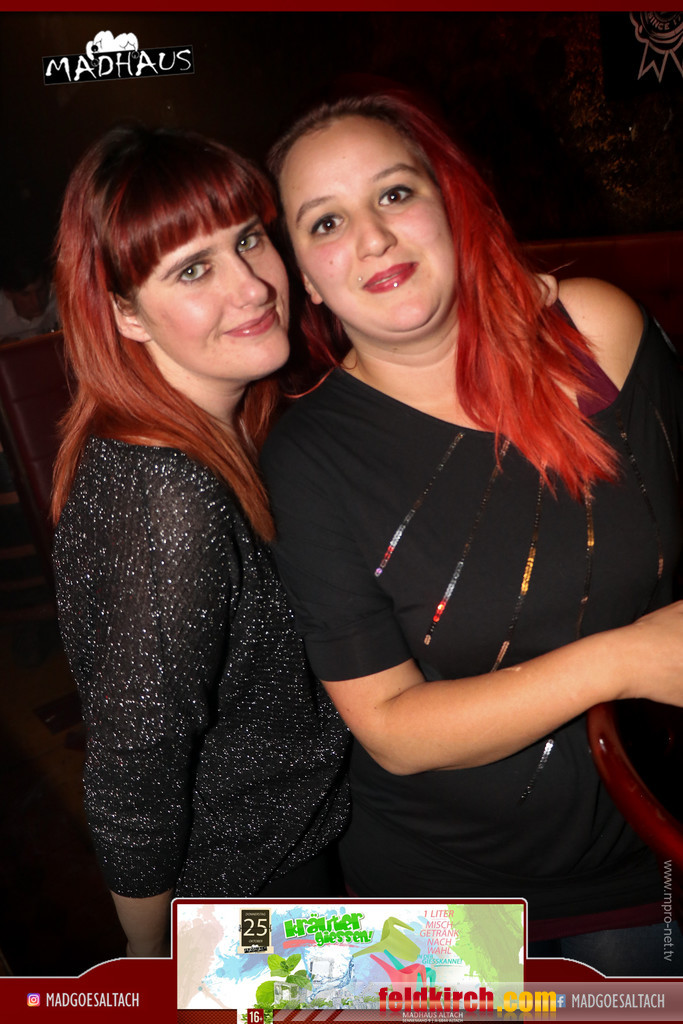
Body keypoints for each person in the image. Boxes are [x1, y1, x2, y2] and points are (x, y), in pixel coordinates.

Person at [262, 92, 683, 975]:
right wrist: (625, 660)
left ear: (450, 203)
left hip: (648, 850)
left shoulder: (593, 335)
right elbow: (391, 728)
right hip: (440, 907)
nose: (372, 238)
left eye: (395, 193)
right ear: (306, 278)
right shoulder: (308, 456)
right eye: (326, 222)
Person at [51, 125, 349, 959]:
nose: (251, 285)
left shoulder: (227, 427)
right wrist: (154, 969)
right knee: (523, 985)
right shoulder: (168, 498)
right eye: (192, 269)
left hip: (291, 850)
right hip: (252, 907)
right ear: (124, 313)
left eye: (247, 239)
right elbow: (131, 775)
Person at [0, 248, 59, 341]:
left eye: (40, 290)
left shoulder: (64, 300)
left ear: (48, 282)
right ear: (8, 294)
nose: (36, 302)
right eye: (25, 294)